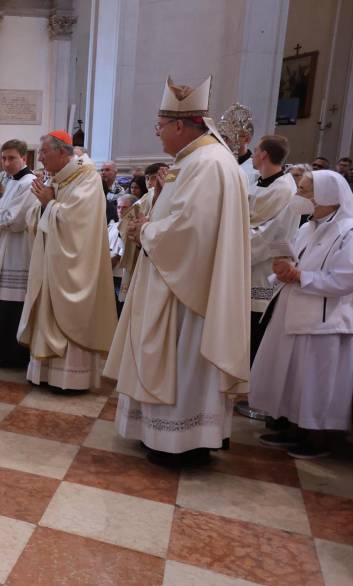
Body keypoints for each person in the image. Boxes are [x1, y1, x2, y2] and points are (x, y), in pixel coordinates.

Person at [104, 76, 250, 467]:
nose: (158, 135)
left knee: (182, 360)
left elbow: (190, 231)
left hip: (186, 290)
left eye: (160, 127)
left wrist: (145, 230)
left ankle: (181, 440)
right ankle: (166, 434)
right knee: (174, 359)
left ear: (181, 125)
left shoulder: (206, 163)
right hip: (175, 279)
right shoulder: (200, 160)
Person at [250, 170, 353, 459]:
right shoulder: (309, 227)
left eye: (306, 190)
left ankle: (317, 437)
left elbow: (346, 279)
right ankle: (294, 428)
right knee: (293, 377)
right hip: (293, 311)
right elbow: (296, 262)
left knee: (316, 382)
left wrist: (300, 277)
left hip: (324, 320)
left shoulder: (348, 230)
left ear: (328, 196)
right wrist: (282, 271)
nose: (300, 195)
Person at [17, 131, 117, 393]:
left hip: (74, 264)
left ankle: (71, 378)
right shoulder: (60, 178)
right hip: (52, 262)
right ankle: (46, 373)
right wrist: (42, 205)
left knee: (69, 313)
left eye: (43, 153)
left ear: (62, 153)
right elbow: (39, 216)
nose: (39, 158)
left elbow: (77, 223)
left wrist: (49, 203)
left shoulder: (87, 177)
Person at [0, 140, 36, 368]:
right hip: (4, 248)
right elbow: (4, 210)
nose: (7, 163)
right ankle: (1, 351)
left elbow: (16, 219)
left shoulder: (28, 183)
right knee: (0, 302)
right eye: (3, 158)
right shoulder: (12, 182)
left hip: (17, 252)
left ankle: (15, 355)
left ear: (24, 158)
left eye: (12, 158)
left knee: (13, 304)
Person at [248, 135, 301, 361]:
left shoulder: (284, 190)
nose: (252, 153)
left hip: (262, 270)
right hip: (245, 268)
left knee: (253, 332)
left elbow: (271, 234)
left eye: (256, 149)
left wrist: (232, 244)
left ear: (264, 155)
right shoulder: (254, 182)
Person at [115, 162, 168, 301]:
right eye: (147, 178)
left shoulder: (164, 196)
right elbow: (125, 223)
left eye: (154, 178)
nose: (150, 183)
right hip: (139, 251)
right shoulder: (145, 197)